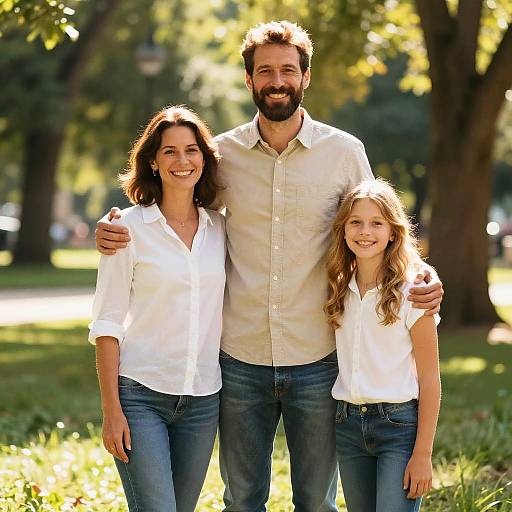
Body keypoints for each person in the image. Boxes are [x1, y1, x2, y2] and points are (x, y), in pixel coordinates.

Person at [96, 21, 443, 512]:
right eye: (265, 71)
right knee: (241, 500)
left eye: (286, 70)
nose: (276, 80)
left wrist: (426, 275)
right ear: (249, 80)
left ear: (305, 77)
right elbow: (174, 204)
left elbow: (380, 229)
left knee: (316, 503)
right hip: (239, 362)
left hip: (318, 359)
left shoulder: (345, 153)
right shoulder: (223, 155)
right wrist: (113, 224)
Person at [89, 106, 226, 512]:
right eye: (169, 151)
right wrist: (112, 411)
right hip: (140, 396)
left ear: (204, 157)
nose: (182, 161)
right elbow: (107, 322)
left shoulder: (221, 229)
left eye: (191, 150)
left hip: (203, 400)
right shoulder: (125, 229)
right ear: (152, 160)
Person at [325, 178, 441, 512]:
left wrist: (423, 454)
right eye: (356, 222)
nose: (365, 231)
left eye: (377, 223)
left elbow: (430, 378)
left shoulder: (414, 292)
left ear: (393, 232)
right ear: (344, 230)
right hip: (348, 427)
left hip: (398, 427)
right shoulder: (338, 288)